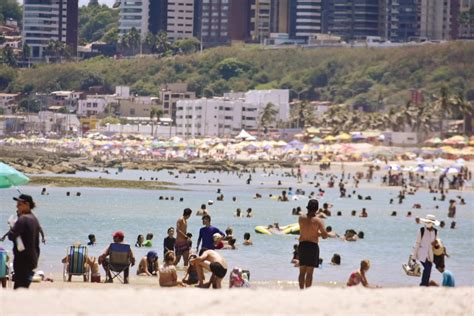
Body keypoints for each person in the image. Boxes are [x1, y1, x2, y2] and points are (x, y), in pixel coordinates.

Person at [7, 194, 42, 289]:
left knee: (19, 289)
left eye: (19, 204)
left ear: (27, 204)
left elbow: (11, 236)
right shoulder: (34, 219)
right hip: (32, 259)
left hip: (22, 260)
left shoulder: (23, 219)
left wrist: (12, 226)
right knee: (23, 288)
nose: (17, 206)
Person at [297, 199, 329, 289]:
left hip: (302, 245)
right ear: (317, 209)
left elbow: (306, 229)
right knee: (310, 273)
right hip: (312, 246)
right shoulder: (319, 221)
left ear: (308, 207)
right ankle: (307, 292)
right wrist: (319, 234)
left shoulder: (301, 218)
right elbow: (325, 236)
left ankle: (301, 291)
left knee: (302, 272)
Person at [412, 214, 439, 286]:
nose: (428, 224)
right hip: (421, 253)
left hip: (430, 255)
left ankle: (425, 284)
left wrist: (436, 244)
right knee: (427, 268)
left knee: (429, 268)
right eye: (427, 222)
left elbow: (435, 244)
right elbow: (417, 243)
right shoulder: (422, 230)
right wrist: (414, 257)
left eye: (430, 222)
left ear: (433, 223)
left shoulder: (435, 231)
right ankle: (423, 284)